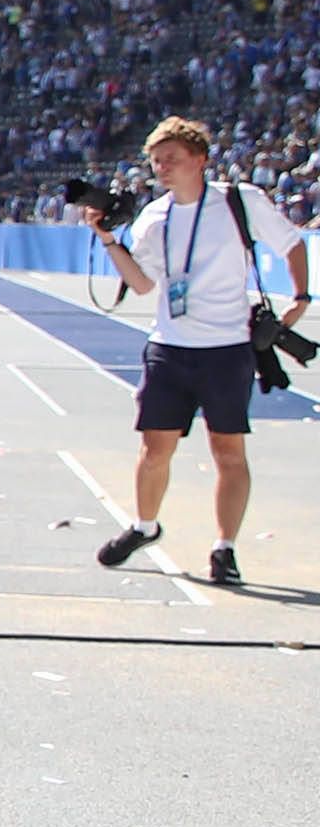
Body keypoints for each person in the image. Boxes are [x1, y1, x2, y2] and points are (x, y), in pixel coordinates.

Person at [94, 113, 308, 584]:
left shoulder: (240, 202)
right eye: (155, 161)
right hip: (169, 348)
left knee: (228, 452)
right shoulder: (154, 217)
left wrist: (301, 297)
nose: (162, 168)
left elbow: (292, 244)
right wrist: (109, 240)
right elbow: (143, 284)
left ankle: (224, 548)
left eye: (171, 159)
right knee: (154, 450)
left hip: (227, 349)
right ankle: (144, 526)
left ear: (200, 160)